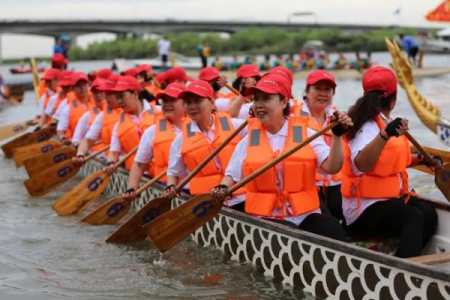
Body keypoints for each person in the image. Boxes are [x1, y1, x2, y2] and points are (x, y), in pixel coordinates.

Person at [210, 74, 352, 241]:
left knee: (332, 228)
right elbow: (231, 176)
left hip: (304, 215)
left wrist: (337, 137)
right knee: (291, 234)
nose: (259, 105)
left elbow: (332, 167)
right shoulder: (248, 140)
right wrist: (222, 188)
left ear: (284, 102)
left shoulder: (306, 134)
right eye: (256, 99)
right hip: (266, 218)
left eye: (266, 99)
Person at [342, 66, 438, 258]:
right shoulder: (367, 126)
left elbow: (390, 162)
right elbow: (361, 164)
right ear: (394, 99)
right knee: (413, 216)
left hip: (387, 200)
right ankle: (406, 269)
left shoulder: (386, 121)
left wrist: (421, 160)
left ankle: (402, 256)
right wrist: (384, 135)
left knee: (429, 213)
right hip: (362, 208)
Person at [164, 80, 248, 201]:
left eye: (198, 101)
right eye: (188, 102)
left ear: (212, 103)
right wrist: (171, 186)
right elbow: (173, 172)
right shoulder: (181, 139)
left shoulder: (235, 126)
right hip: (206, 203)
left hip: (240, 198)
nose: (192, 106)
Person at [292, 70, 344, 220]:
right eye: (318, 88)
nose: (323, 93)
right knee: (327, 219)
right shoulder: (292, 117)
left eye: (327, 90)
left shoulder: (339, 118)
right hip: (307, 185)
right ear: (307, 92)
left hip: (335, 184)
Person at [122, 83, 186, 200]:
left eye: (172, 100)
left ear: (186, 103)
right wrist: (132, 188)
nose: (167, 104)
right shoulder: (152, 131)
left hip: (198, 191)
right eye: (164, 101)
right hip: (166, 189)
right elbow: (140, 164)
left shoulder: (199, 127)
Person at [104, 76, 159, 173]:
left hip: (160, 178)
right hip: (136, 176)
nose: (119, 101)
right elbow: (113, 152)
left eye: (122, 96)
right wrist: (110, 163)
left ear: (135, 94)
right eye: (117, 98)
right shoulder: (119, 125)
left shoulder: (160, 113)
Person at [73, 74, 123, 164]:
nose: (103, 96)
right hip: (109, 161)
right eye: (96, 92)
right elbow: (87, 140)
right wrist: (80, 153)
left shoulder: (142, 114)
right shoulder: (101, 115)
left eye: (107, 93)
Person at [56, 72, 92, 143]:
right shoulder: (67, 109)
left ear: (88, 86)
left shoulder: (98, 104)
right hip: (76, 143)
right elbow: (60, 130)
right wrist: (62, 137)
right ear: (73, 88)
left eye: (84, 85)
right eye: (78, 86)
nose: (82, 88)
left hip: (94, 144)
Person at [71, 78, 106, 148]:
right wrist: (80, 150)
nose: (99, 95)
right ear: (92, 94)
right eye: (96, 93)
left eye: (101, 92)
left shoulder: (117, 113)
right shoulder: (87, 116)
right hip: (94, 156)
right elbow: (76, 140)